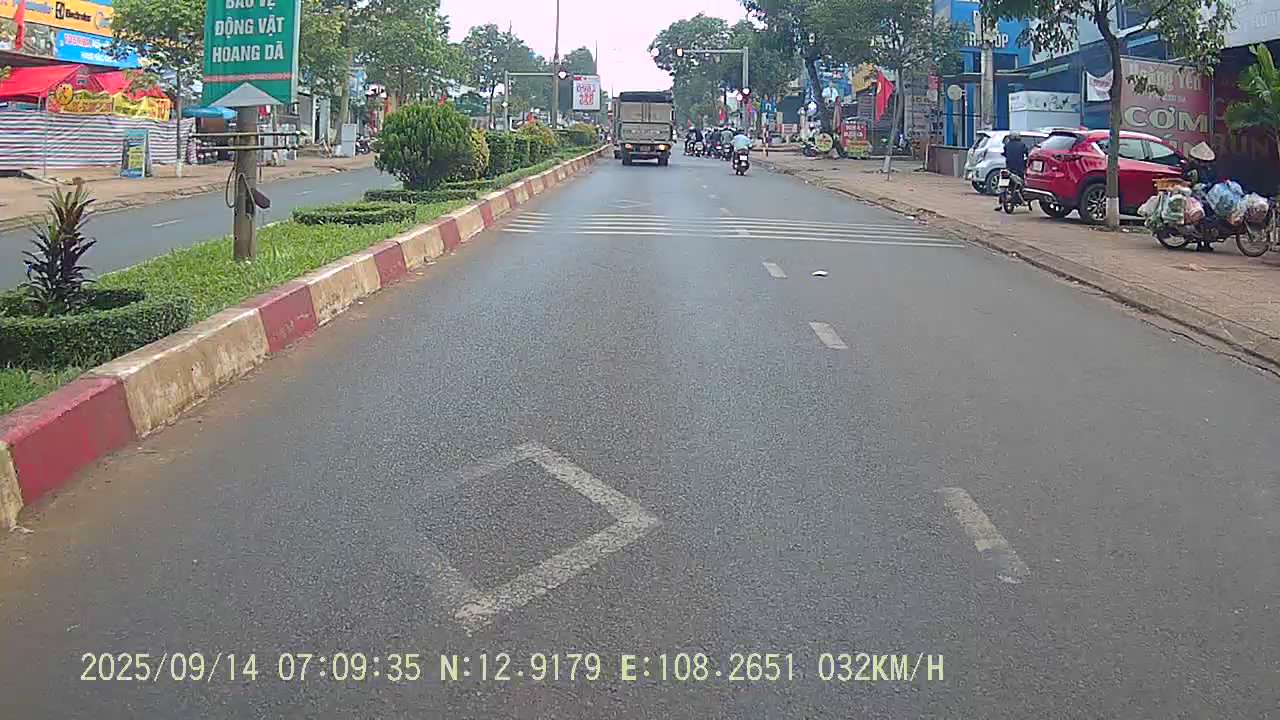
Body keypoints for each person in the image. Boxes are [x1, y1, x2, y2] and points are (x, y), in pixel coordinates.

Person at [996, 132, 1029, 210]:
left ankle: (1000, 203)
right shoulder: (1022, 145)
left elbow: (1004, 153)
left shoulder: (1007, 145)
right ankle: (1022, 197)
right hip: (1019, 169)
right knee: (1022, 183)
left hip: (1009, 168)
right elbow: (1026, 153)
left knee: (1002, 183)